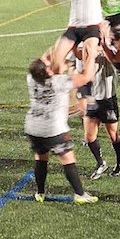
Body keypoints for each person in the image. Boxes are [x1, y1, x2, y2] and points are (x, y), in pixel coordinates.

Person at [25, 51, 99, 204]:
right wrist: (91, 55)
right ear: (47, 72)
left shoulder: (31, 78)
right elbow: (86, 78)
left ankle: (40, 192)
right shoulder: (59, 82)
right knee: (68, 159)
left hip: (33, 127)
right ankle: (80, 194)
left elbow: (44, 60)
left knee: (41, 158)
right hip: (54, 129)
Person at [38, 0, 112, 75]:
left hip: (91, 28)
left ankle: (86, 83)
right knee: (56, 60)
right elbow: (50, 0)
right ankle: (58, 83)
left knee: (89, 58)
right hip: (73, 28)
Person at [81, 37, 120, 180]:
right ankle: (101, 163)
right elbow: (81, 69)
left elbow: (118, 59)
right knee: (89, 136)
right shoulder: (83, 46)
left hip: (107, 98)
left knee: (113, 134)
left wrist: (104, 46)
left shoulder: (110, 45)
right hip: (91, 98)